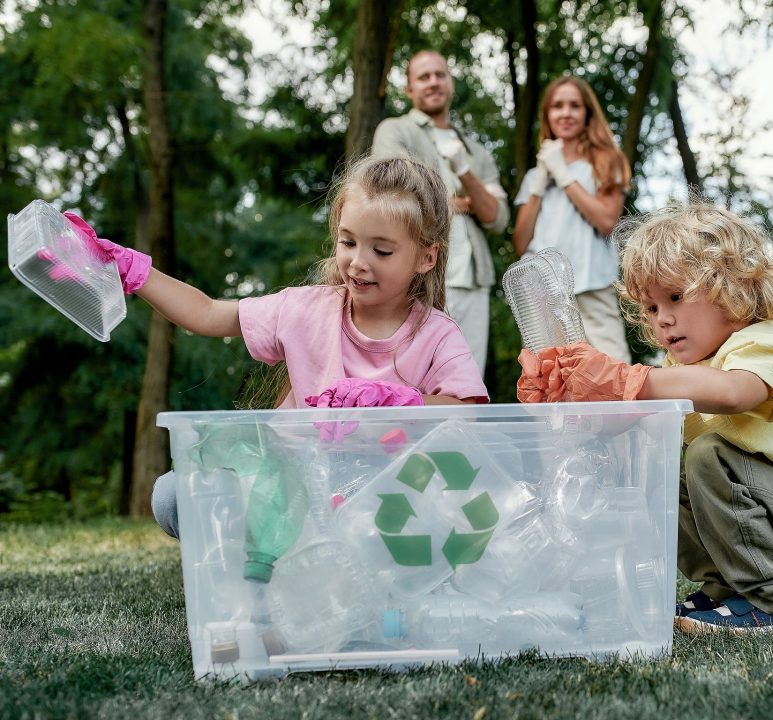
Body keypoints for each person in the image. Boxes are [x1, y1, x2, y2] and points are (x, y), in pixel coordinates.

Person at [62, 156, 489, 536]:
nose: (359, 262)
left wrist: (403, 402)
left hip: (386, 504)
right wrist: (133, 271)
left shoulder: (437, 334)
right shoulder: (305, 309)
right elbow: (210, 313)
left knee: (470, 509)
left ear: (426, 258)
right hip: (296, 488)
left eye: (382, 250)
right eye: (348, 242)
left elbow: (467, 412)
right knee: (173, 495)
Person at [516, 201, 773, 634]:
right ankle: (729, 586)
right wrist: (575, 397)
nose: (663, 320)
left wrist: (632, 378)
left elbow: (734, 393)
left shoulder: (772, 341)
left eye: (675, 297)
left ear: (733, 287)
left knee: (710, 455)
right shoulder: (681, 367)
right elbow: (631, 417)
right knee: (664, 468)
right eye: (651, 308)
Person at [371, 49, 509, 373]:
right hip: (413, 277)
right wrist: (460, 203)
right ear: (409, 89)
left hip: (472, 280)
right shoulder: (395, 131)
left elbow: (498, 218)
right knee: (408, 375)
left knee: (467, 378)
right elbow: (391, 194)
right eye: (423, 77)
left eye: (439, 75)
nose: (433, 82)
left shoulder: (475, 151)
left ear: (450, 82)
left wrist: (465, 172)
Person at [512, 76, 632, 363]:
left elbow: (606, 220)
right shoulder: (533, 176)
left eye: (574, 106)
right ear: (548, 115)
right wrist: (540, 183)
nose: (565, 113)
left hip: (592, 283)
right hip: (542, 292)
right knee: (550, 377)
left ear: (587, 113)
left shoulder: (607, 163)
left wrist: (564, 175)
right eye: (557, 106)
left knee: (612, 367)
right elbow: (520, 241)